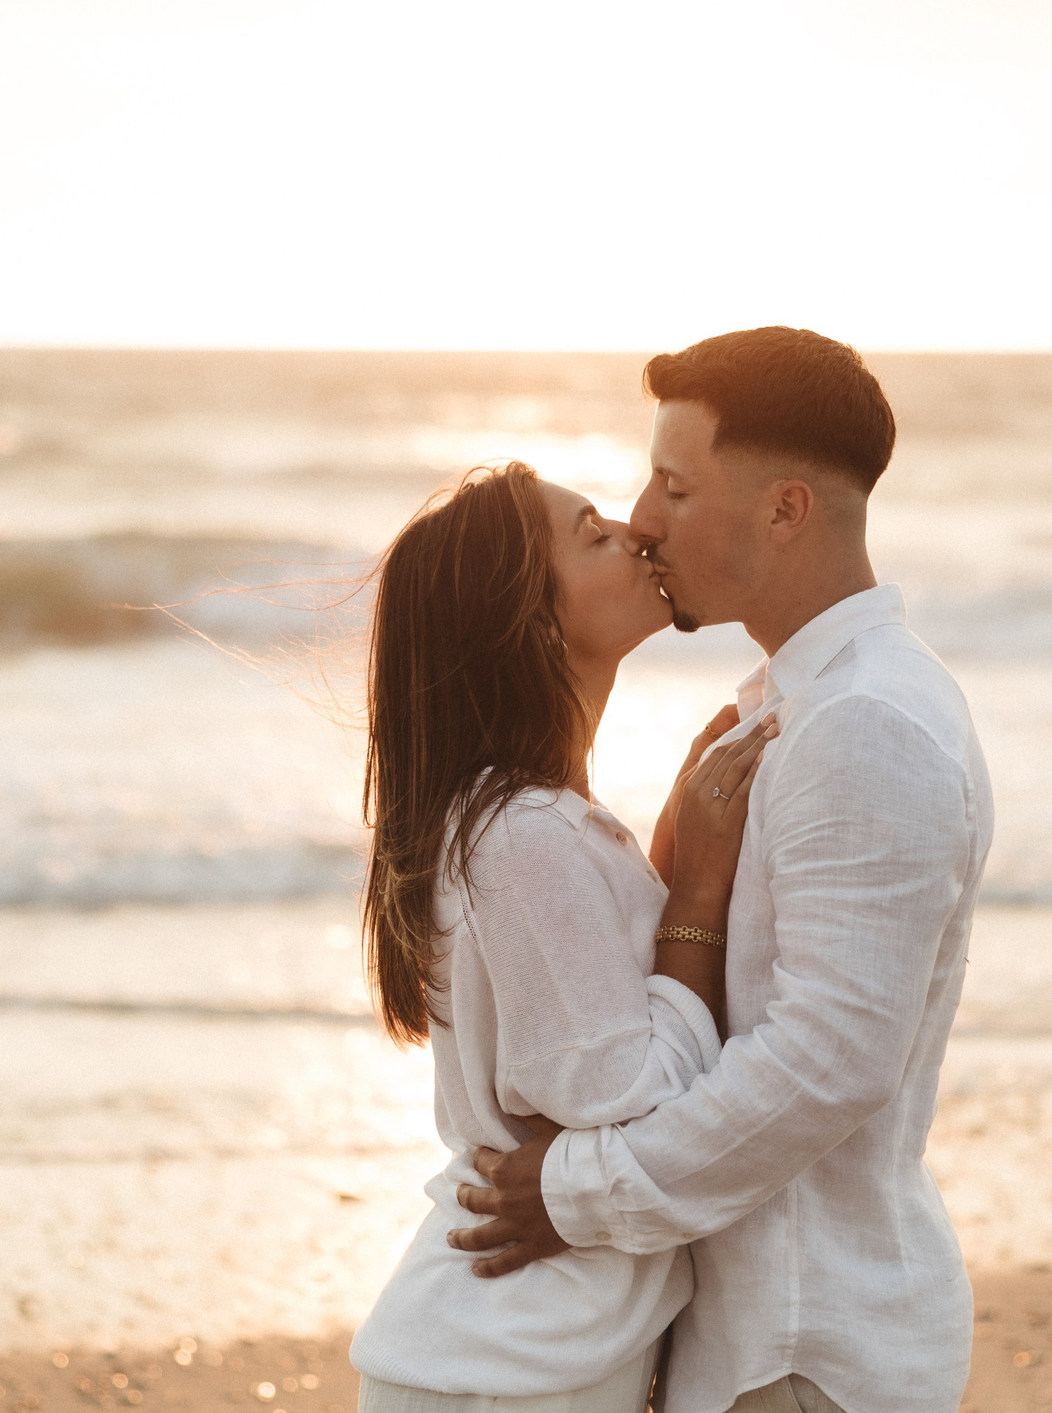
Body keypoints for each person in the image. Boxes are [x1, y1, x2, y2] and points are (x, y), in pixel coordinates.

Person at [449, 327, 996, 1413]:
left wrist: (581, 1194)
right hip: (756, 1337)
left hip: (801, 1347)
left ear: (785, 508)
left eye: (674, 484)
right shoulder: (789, 703)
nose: (642, 518)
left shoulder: (863, 724)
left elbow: (832, 1057)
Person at [349, 460, 778, 1413]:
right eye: (591, 532)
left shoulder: (533, 820)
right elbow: (636, 1098)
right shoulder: (522, 835)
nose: (634, 529)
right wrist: (699, 885)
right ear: (532, 623)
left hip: (521, 1356)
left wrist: (671, 841)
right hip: (505, 1369)